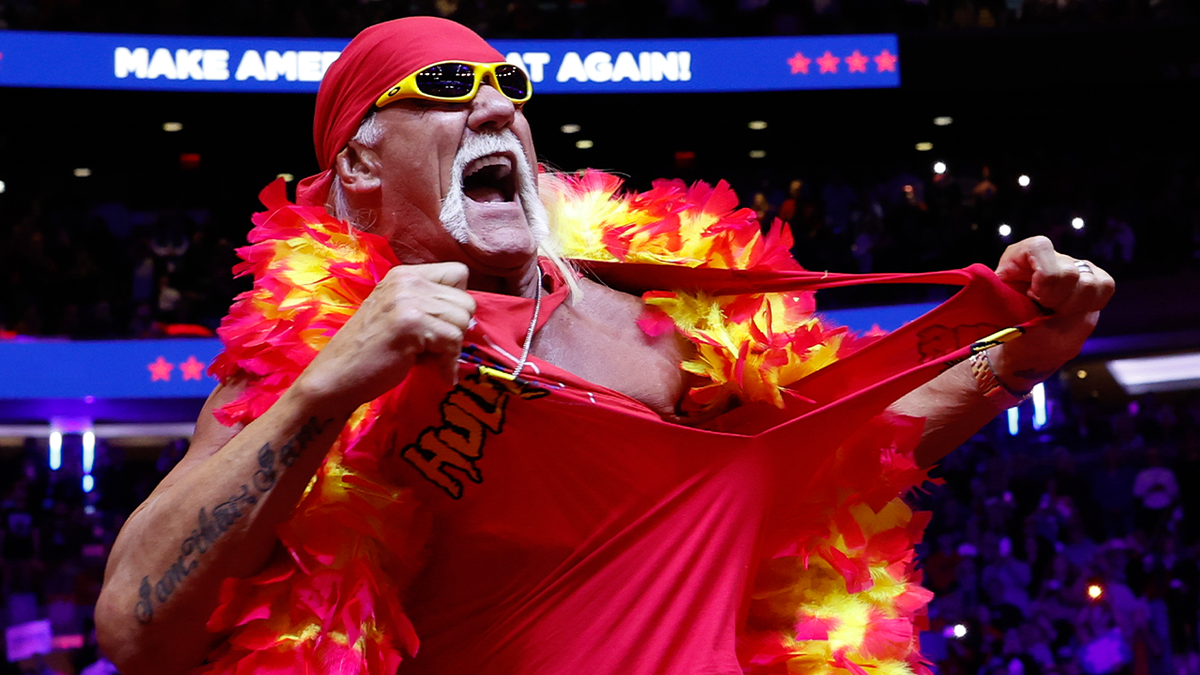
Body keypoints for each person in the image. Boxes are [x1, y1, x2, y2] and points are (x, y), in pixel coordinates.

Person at [94, 16, 1114, 675]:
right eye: (444, 89)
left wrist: (1025, 348)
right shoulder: (311, 366)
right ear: (360, 167)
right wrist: (322, 392)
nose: (495, 105)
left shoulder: (661, 311)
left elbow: (824, 464)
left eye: (506, 86)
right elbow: (137, 630)